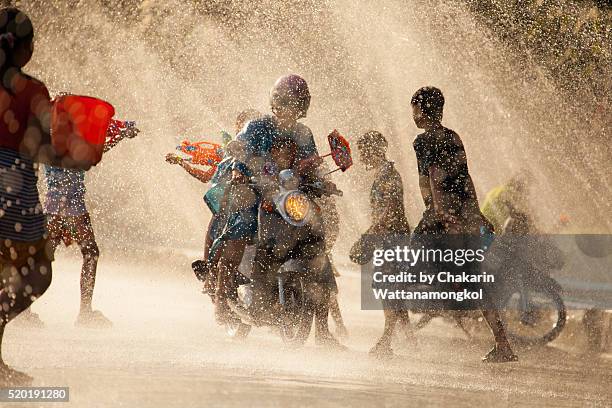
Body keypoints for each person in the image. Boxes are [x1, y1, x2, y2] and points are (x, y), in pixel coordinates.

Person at [0, 7, 94, 384]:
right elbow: (43, 150)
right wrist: (79, 158)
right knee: (35, 273)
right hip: (14, 194)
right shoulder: (31, 90)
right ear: (24, 48)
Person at [226, 74, 342, 347]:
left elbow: (311, 163)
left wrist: (323, 181)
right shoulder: (257, 126)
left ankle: (324, 334)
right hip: (264, 197)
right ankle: (251, 298)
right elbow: (240, 151)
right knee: (256, 238)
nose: (292, 109)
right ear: (275, 102)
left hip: (291, 201)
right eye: (287, 102)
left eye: (297, 103)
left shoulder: (304, 133)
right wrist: (238, 173)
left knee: (318, 251)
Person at [410, 86, 517, 363]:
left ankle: (443, 301)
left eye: (414, 108)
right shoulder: (453, 136)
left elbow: (431, 177)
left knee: (410, 251)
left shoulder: (422, 142)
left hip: (443, 214)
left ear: (422, 111)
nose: (412, 114)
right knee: (474, 278)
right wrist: (476, 214)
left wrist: (439, 211)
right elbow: (465, 177)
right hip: (465, 213)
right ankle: (502, 343)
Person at [166, 109, 261, 300]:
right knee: (215, 222)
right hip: (231, 205)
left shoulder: (263, 153)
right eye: (243, 127)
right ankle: (209, 271)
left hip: (257, 205)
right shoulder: (228, 153)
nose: (248, 131)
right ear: (237, 129)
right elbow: (206, 176)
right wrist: (182, 163)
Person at [349, 131, 412, 357]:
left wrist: (369, 235)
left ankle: (386, 341)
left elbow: (390, 210)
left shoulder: (388, 176)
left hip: (392, 239)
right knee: (394, 290)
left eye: (364, 151)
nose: (362, 156)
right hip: (390, 237)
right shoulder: (383, 174)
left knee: (389, 290)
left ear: (377, 150)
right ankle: (409, 339)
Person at [481, 170, 533, 234]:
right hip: (490, 231)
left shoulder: (499, 190)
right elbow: (509, 221)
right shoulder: (510, 194)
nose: (527, 192)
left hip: (482, 228)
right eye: (526, 188)